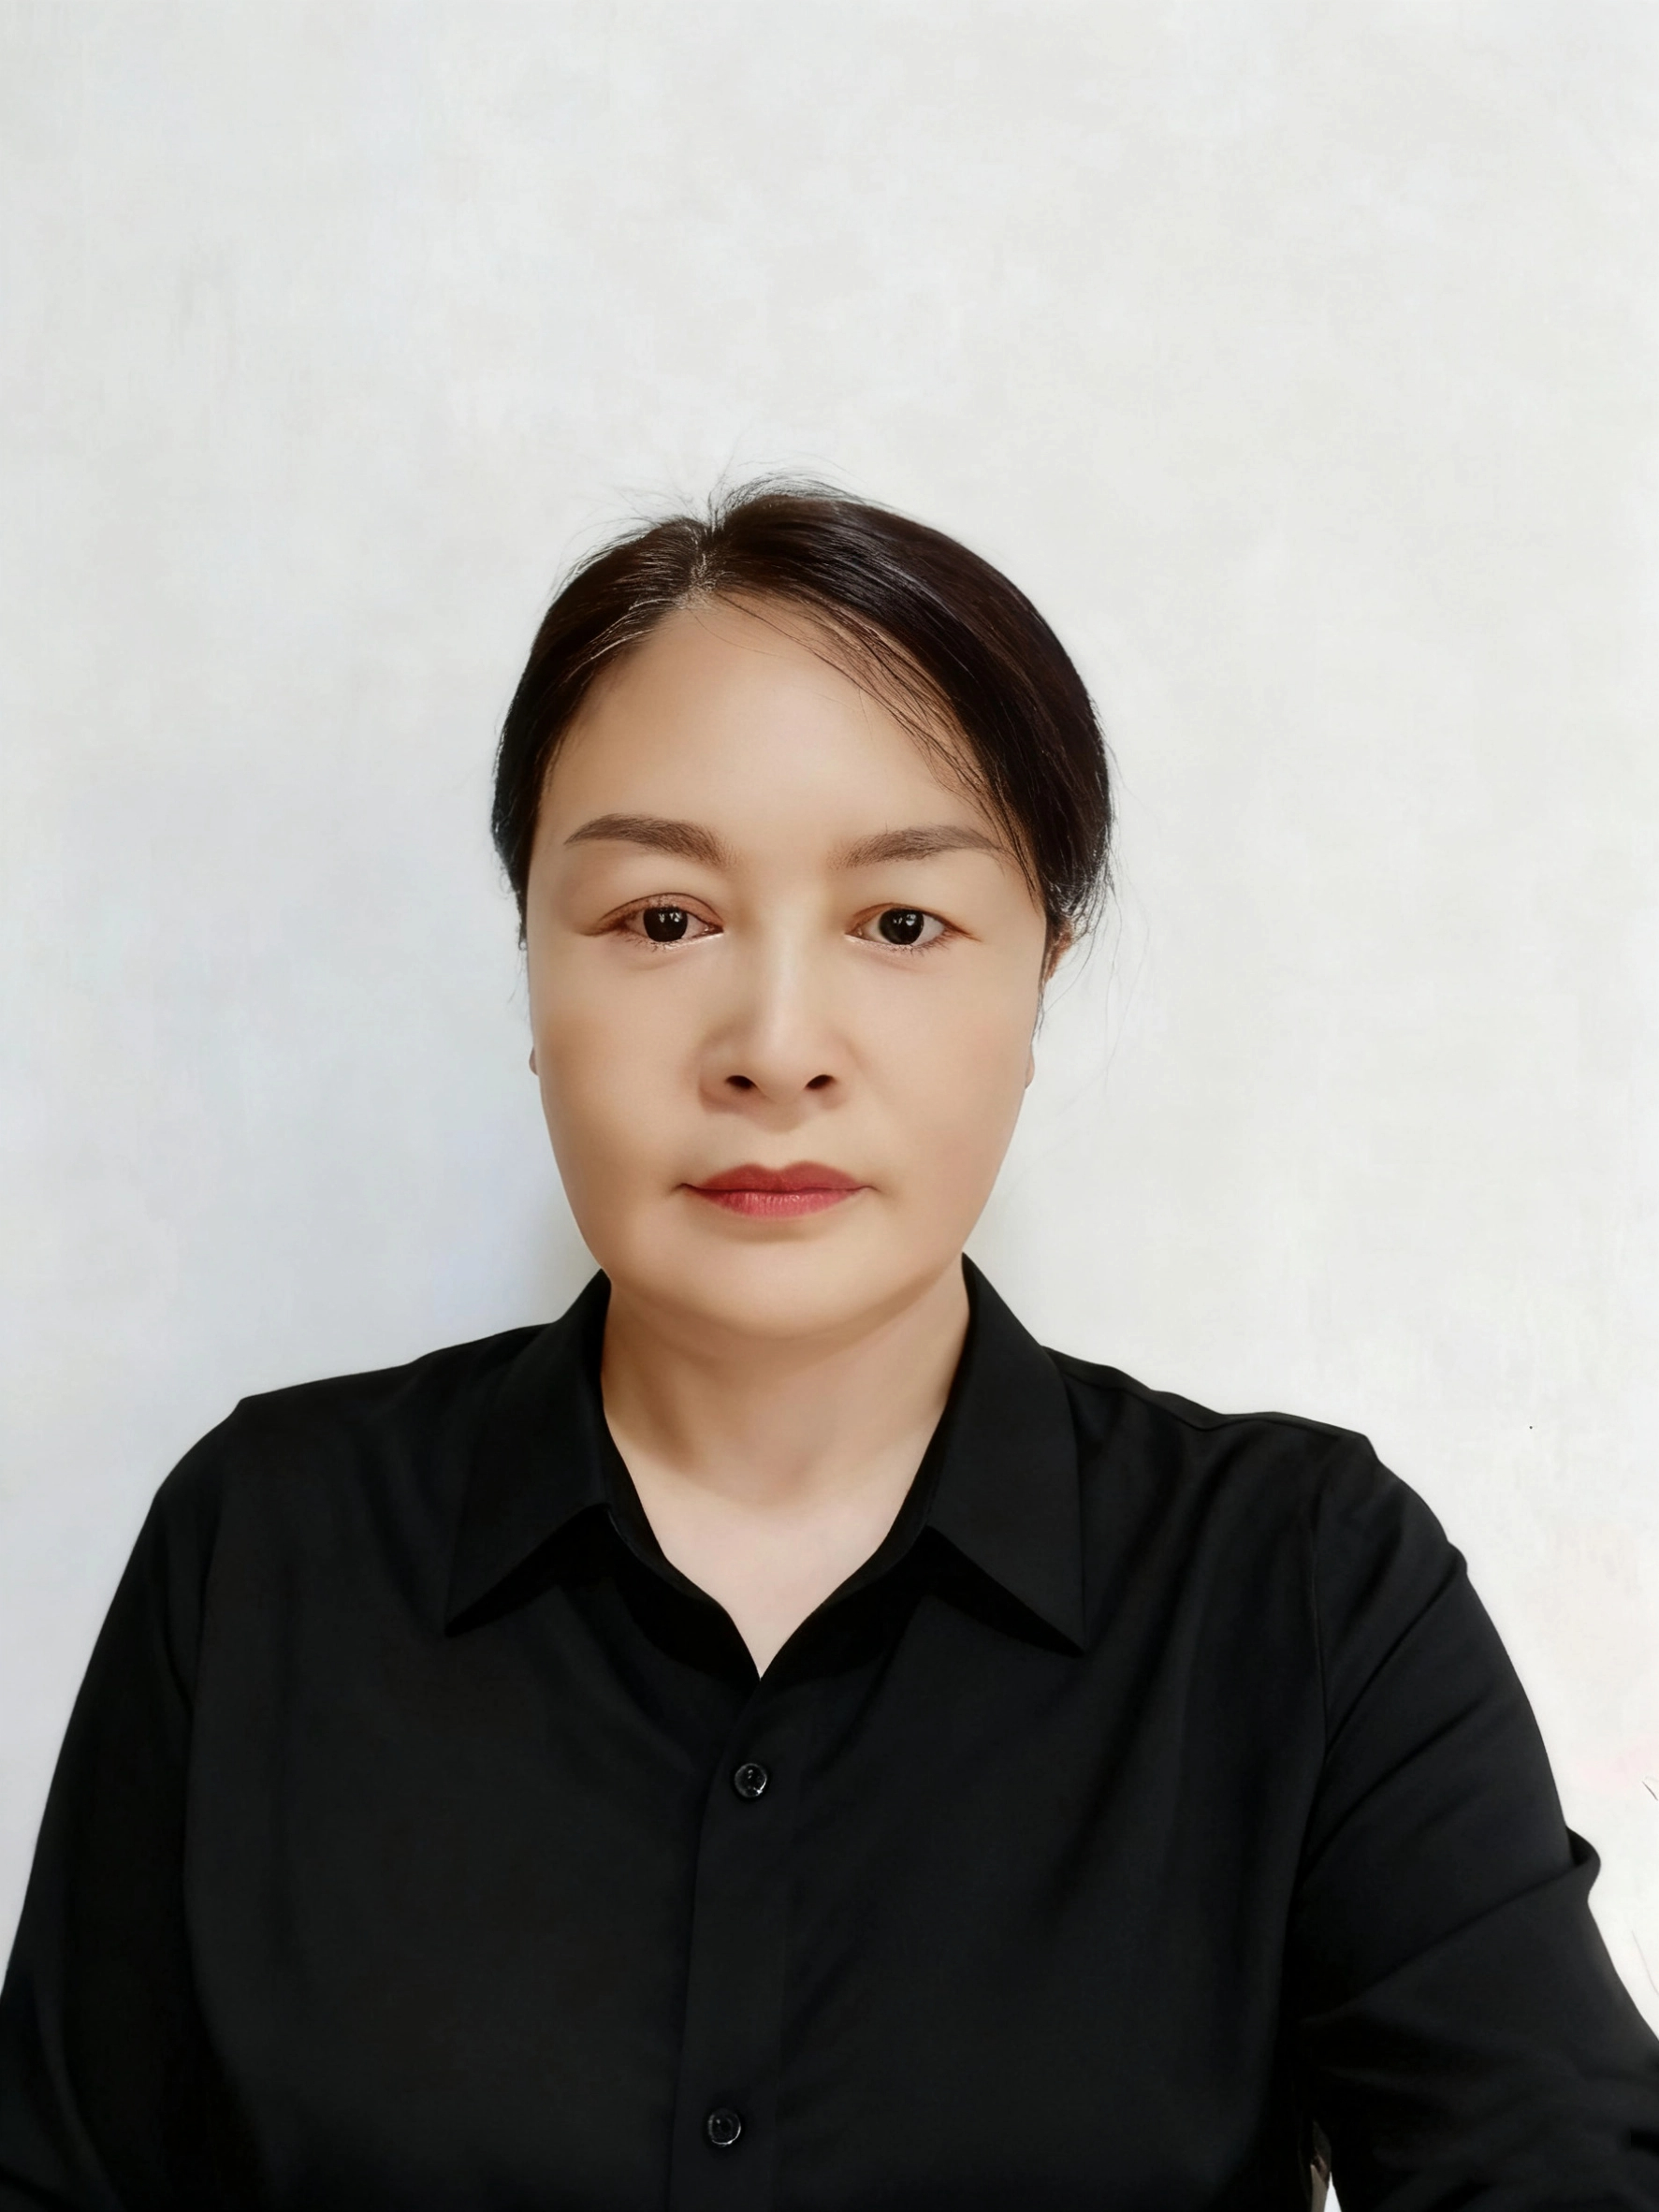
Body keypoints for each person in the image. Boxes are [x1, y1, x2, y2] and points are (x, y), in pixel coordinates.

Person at [1, 484, 1655, 2212]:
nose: (775, 1047)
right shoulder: (269, 1544)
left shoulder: (1297, 1587)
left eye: (899, 923)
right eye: (662, 919)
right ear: (529, 965)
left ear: (1039, 974)